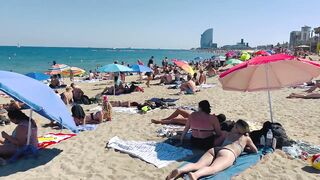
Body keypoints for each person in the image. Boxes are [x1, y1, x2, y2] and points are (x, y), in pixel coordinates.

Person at [166, 119, 258, 180]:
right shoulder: (246, 138)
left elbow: (217, 142)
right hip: (228, 153)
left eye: (234, 126)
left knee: (198, 164)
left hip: (215, 149)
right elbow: (255, 151)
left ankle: (181, 170)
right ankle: (195, 175)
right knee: (213, 168)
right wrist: (245, 149)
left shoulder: (227, 133)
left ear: (236, 128)